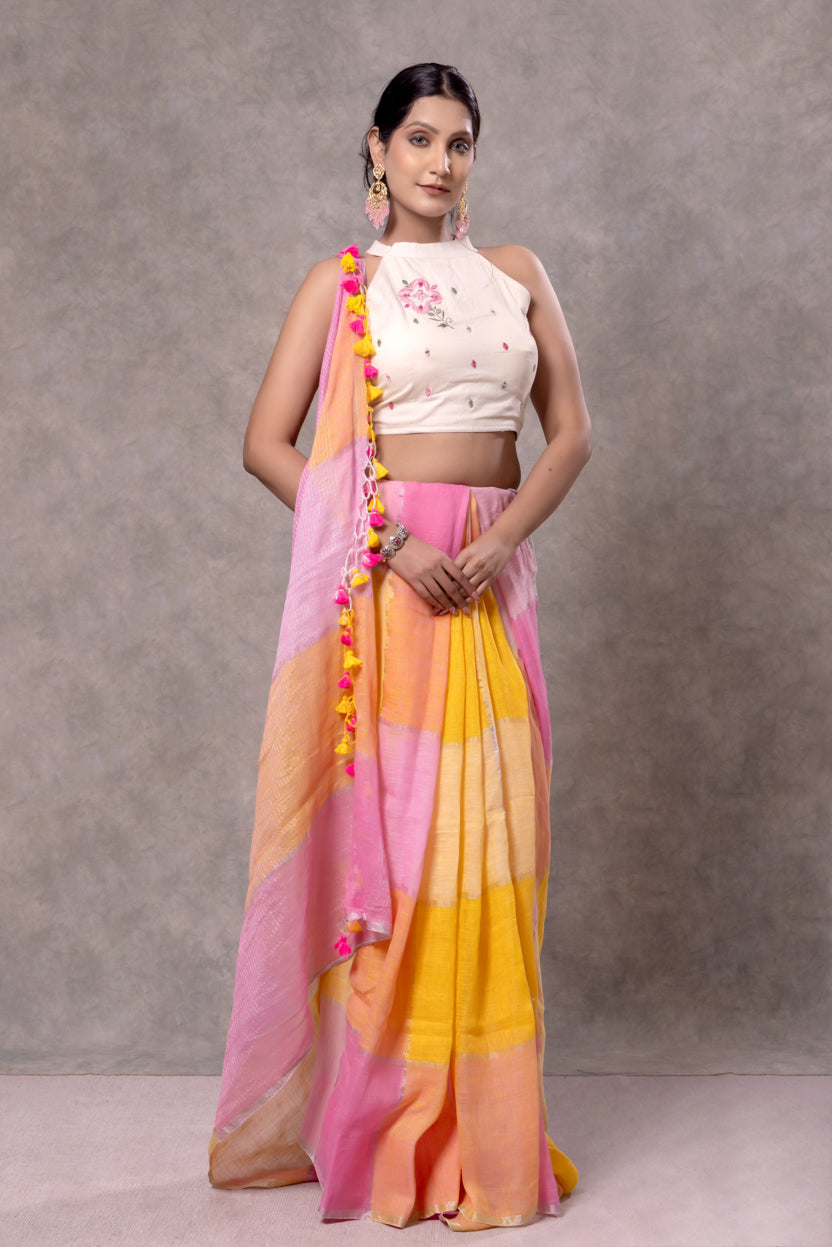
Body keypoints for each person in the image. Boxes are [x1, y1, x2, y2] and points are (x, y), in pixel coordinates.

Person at [208, 63, 592, 1232]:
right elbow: (267, 443)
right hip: (393, 593)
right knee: (405, 856)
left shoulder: (517, 275)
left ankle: (486, 1125)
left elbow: (571, 433)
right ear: (375, 151)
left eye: (460, 142)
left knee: (497, 842)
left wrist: (500, 539)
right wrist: (381, 544)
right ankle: (392, 1121)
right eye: (418, 139)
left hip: (490, 578)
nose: (440, 162)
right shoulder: (343, 286)